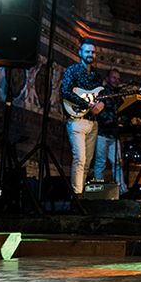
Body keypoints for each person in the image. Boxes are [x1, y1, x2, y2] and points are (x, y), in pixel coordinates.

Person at [61, 39, 104, 195]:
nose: (90, 54)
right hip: (76, 121)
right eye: (87, 51)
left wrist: (100, 105)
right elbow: (65, 91)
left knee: (87, 163)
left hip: (92, 123)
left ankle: (82, 195)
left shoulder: (96, 76)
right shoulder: (72, 70)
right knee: (80, 159)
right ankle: (76, 196)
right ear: (80, 53)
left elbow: (101, 97)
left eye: (92, 52)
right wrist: (88, 105)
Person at [92, 68, 128, 195]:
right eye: (114, 78)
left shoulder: (119, 96)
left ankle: (122, 191)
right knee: (100, 162)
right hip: (102, 133)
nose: (116, 81)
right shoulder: (102, 92)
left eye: (118, 79)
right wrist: (108, 119)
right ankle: (97, 190)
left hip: (114, 135)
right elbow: (98, 111)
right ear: (108, 79)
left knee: (118, 163)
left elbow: (124, 112)